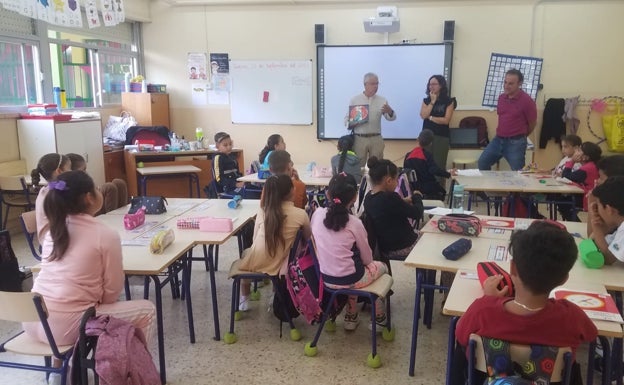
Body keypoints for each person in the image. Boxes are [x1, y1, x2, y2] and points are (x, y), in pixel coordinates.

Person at [452, 221, 597, 384]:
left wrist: (490, 299)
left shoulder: (483, 310)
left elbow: (461, 334)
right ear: (564, 279)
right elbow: (591, 335)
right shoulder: (571, 316)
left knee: (463, 349)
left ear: (513, 268)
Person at [23, 171, 156, 349]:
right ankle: (133, 369)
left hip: (32, 320)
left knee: (66, 301)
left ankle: (60, 373)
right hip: (65, 327)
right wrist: (96, 300)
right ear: (89, 197)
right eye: (96, 188)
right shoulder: (105, 234)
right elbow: (112, 290)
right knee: (147, 310)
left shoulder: (53, 232)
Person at [311, 173, 388, 331]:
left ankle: (351, 315)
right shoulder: (355, 223)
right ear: (354, 198)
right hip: (351, 278)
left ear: (328, 194)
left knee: (354, 271)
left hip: (325, 278)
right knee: (380, 268)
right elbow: (367, 259)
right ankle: (380, 318)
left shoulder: (317, 215)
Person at [238, 174, 311, 310]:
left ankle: (244, 299)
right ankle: (274, 294)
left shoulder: (263, 210)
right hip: (282, 265)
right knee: (281, 254)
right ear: (291, 191)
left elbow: (254, 240)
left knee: (245, 254)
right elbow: (309, 241)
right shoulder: (301, 214)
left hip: (257, 260)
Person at [363, 157, 423, 260]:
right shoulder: (391, 198)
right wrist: (417, 197)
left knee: (423, 234)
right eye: (396, 180)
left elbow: (385, 207)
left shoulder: (368, 198)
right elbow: (417, 213)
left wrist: (403, 200)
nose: (397, 183)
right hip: (403, 246)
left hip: (385, 247)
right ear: (389, 181)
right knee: (433, 242)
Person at [477, 69, 537, 171]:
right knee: (482, 162)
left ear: (520, 84)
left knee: (518, 172)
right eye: (505, 82)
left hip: (516, 142)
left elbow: (532, 123)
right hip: (498, 139)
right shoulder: (501, 98)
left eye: (510, 83)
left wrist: (522, 135)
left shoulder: (527, 101)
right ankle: (491, 186)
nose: (506, 86)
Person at [348, 73, 396, 167]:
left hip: (376, 138)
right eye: (373, 84)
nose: (376, 86)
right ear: (365, 84)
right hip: (359, 138)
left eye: (377, 83)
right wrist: (353, 122)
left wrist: (390, 112)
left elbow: (391, 118)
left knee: (377, 168)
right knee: (358, 167)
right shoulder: (355, 100)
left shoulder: (382, 100)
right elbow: (346, 121)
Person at [403, 129, 457, 201]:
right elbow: (433, 170)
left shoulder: (408, 155)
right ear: (430, 143)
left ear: (417, 139)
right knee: (442, 192)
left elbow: (405, 171)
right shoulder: (427, 155)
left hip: (413, 188)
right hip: (427, 187)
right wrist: (448, 174)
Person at [419, 75, 457, 173]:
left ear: (441, 85)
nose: (431, 86)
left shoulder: (449, 101)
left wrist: (430, 117)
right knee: (425, 166)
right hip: (426, 137)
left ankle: (439, 188)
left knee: (439, 166)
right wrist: (432, 102)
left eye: (434, 84)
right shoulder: (426, 100)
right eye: (430, 84)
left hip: (441, 137)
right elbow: (423, 115)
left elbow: (446, 120)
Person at [32, 153, 71, 242]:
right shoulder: (56, 194)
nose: (71, 171)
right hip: (54, 243)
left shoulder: (46, 189)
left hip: (50, 238)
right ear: (59, 171)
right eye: (69, 168)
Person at [560, 141, 601, 220]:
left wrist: (572, 161)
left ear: (586, 157)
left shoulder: (588, 168)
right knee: (560, 198)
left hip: (588, 198)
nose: (575, 152)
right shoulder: (591, 165)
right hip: (589, 195)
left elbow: (566, 176)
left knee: (562, 202)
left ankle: (575, 223)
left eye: (579, 150)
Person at [588, 176, 624, 265]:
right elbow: (591, 241)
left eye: (598, 205)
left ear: (608, 209)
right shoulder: (619, 226)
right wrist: (602, 230)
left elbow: (607, 259)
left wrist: (597, 228)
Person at [587, 155, 624, 235]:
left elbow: (591, 239)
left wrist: (592, 200)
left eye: (600, 177)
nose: (597, 181)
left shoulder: (615, 211)